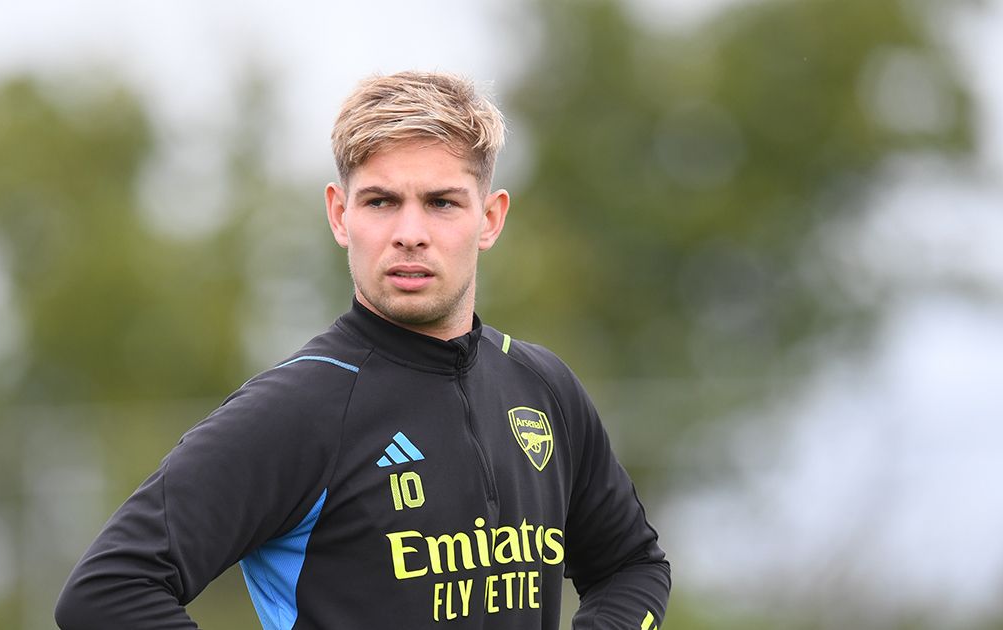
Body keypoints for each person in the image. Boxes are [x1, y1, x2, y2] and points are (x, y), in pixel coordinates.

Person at [55, 71, 670, 629]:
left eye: (441, 202)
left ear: (489, 217)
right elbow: (108, 593)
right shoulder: (300, 408)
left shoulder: (542, 386)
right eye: (380, 201)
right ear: (340, 214)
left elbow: (632, 567)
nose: (409, 233)